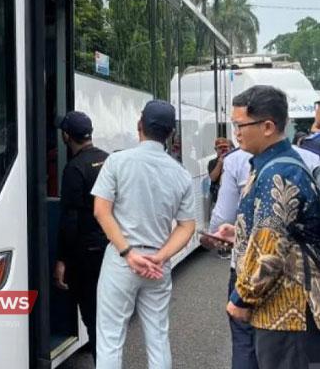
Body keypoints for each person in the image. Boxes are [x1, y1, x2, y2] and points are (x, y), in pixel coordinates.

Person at [217, 85, 320, 369]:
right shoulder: (268, 165)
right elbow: (277, 231)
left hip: (287, 311)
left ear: (267, 126)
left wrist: (241, 298)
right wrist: (238, 233)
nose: (235, 132)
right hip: (279, 308)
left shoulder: (280, 172)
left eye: (240, 125)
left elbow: (270, 251)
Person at [92, 100, 195, 369]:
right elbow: (187, 226)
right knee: (158, 336)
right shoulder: (181, 175)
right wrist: (159, 257)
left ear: (140, 126)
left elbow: (101, 211)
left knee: (111, 337)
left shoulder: (116, 161)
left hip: (121, 259)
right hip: (158, 265)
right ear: (171, 133)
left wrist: (128, 253)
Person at [52, 111, 109, 361]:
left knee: (92, 316)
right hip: (111, 248)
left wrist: (62, 260)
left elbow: (70, 220)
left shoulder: (74, 169)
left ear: (66, 136)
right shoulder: (108, 160)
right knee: (106, 317)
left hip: (86, 255)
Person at [208, 137, 233, 203]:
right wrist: (220, 163)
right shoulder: (212, 162)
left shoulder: (234, 161)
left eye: (225, 147)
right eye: (220, 148)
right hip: (217, 199)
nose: (223, 149)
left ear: (229, 148)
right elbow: (213, 178)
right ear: (216, 149)